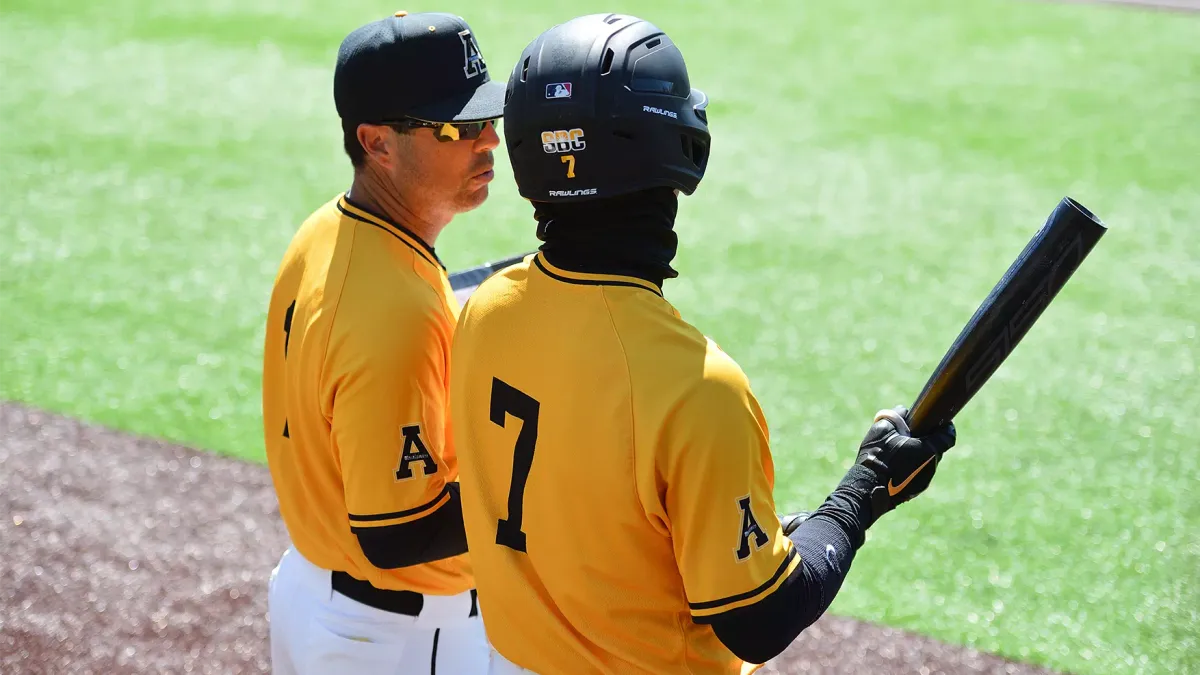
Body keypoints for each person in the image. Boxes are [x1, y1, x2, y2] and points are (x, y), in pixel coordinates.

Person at [449, 13, 958, 675]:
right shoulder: (696, 385)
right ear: (678, 145)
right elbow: (760, 619)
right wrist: (864, 492)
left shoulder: (484, 308)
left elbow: (594, 512)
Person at [260, 10, 502, 674]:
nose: (488, 143)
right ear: (378, 142)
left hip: (328, 600)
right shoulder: (397, 313)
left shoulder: (329, 232)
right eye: (456, 128)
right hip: (396, 638)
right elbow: (399, 532)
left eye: (490, 120)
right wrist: (542, 484)